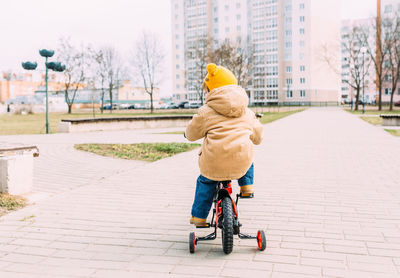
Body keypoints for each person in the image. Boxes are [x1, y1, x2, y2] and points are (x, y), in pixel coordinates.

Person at [185, 63, 263, 227]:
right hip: (240, 161)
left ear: (211, 90)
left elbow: (192, 133)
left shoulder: (205, 112)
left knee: (205, 183)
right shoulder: (247, 112)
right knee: (247, 155)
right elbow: (257, 136)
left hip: (214, 161)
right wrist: (255, 139)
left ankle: (199, 217)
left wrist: (187, 134)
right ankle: (247, 186)